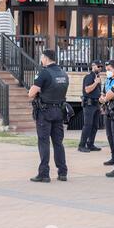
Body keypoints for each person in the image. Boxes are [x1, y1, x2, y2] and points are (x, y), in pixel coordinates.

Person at [28, 49, 69, 183]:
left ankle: (44, 174)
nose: (41, 59)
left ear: (45, 58)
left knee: (44, 142)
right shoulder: (63, 73)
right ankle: (62, 172)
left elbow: (31, 93)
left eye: (42, 57)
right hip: (59, 111)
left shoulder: (45, 73)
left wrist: (37, 89)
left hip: (45, 113)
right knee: (58, 143)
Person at [78, 60, 103, 153]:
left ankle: (90, 144)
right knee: (87, 125)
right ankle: (81, 145)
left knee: (95, 126)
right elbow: (87, 90)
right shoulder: (89, 77)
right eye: (98, 66)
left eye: (101, 66)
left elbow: (98, 92)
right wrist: (96, 83)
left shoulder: (98, 77)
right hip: (89, 104)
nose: (100, 68)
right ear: (93, 66)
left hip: (96, 104)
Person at [100, 60, 114, 166]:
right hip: (108, 109)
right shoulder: (107, 80)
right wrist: (102, 98)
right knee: (109, 135)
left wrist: (105, 98)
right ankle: (113, 156)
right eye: (106, 69)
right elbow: (103, 93)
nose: (107, 72)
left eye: (109, 69)